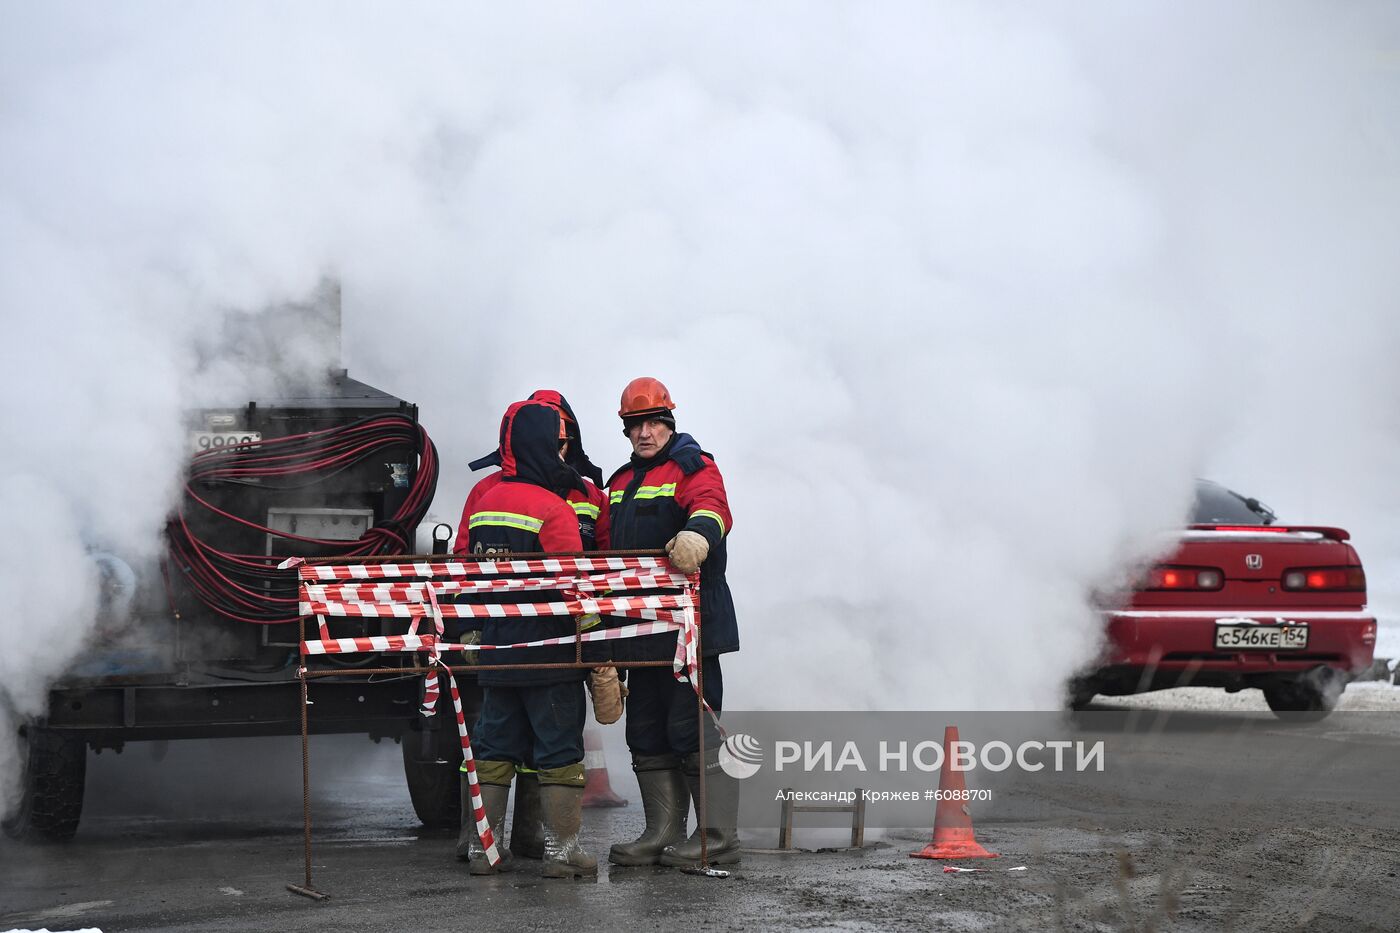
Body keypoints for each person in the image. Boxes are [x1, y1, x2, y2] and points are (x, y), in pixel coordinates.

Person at [454, 389, 615, 863]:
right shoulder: (554, 508)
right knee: (560, 752)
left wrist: (471, 635)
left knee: (492, 750)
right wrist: (599, 654)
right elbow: (575, 589)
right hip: (551, 658)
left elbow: (466, 573)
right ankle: (564, 856)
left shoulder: (487, 500)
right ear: (546, 446)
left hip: (497, 656)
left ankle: (485, 853)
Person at [604, 377, 741, 868]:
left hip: (691, 628)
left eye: (651, 422)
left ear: (669, 421)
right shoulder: (619, 483)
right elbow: (604, 549)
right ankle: (661, 833)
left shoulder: (693, 465)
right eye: (633, 424)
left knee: (693, 731)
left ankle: (717, 837)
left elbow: (713, 508)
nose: (643, 432)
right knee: (646, 732)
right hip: (642, 631)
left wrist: (698, 536)